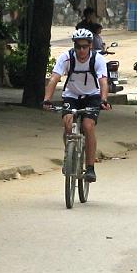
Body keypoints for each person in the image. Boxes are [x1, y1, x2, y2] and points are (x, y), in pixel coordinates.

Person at [42, 28, 111, 183]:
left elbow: (103, 82)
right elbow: (54, 79)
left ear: (90, 46)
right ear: (74, 46)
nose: (81, 50)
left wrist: (103, 100)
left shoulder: (98, 59)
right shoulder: (66, 58)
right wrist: (47, 99)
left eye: (84, 46)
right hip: (71, 95)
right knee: (67, 121)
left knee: (88, 126)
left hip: (92, 96)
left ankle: (91, 167)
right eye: (78, 46)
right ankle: (69, 154)